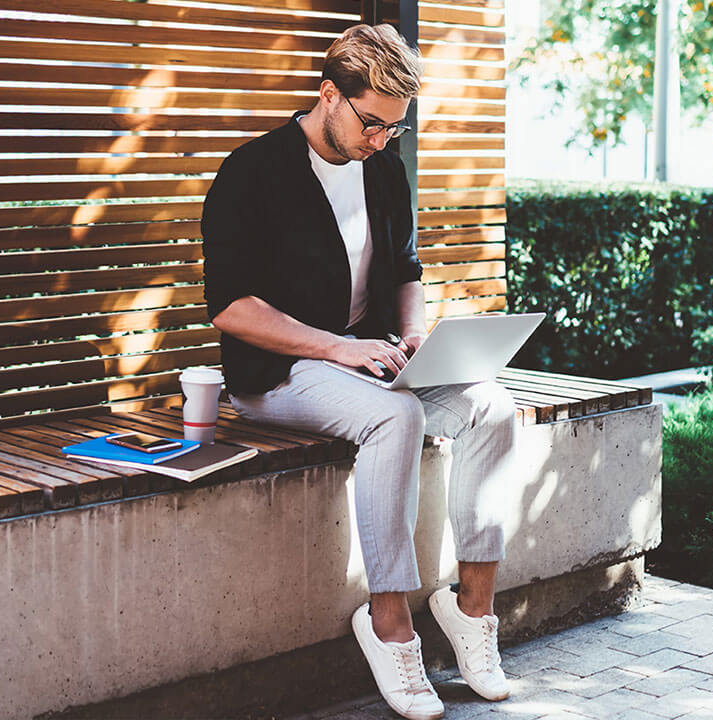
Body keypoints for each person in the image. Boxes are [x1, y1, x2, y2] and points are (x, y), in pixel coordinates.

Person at [201, 24, 518, 720]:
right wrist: (333, 346)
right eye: (372, 123)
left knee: (494, 406)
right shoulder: (251, 172)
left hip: (370, 362)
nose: (380, 142)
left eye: (393, 130)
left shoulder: (383, 169)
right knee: (396, 415)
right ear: (328, 94)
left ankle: (473, 612)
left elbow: (406, 270)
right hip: (281, 376)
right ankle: (390, 623)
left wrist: (412, 333)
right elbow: (229, 306)